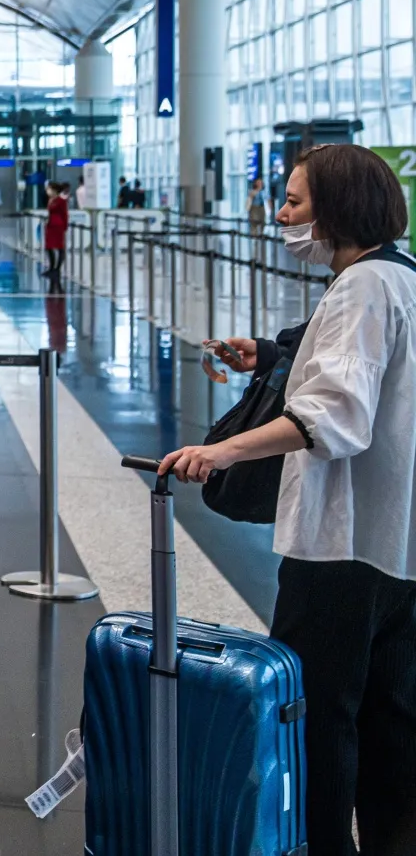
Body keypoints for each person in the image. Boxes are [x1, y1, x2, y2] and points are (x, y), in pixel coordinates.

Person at [159, 144, 416, 855]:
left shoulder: (362, 287)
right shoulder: (400, 274)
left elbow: (332, 412)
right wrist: (269, 357)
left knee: (318, 716)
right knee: (392, 724)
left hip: (339, 543)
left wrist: (221, 450)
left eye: (296, 202)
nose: (282, 214)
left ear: (337, 208)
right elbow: (357, 365)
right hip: (396, 546)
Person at [43, 180, 70, 281]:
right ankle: (51, 267)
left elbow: (65, 214)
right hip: (50, 225)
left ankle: (57, 269)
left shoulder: (61, 201)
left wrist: (65, 226)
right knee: (49, 247)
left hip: (58, 225)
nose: (47, 190)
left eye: (49, 189)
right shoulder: (51, 200)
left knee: (59, 247)